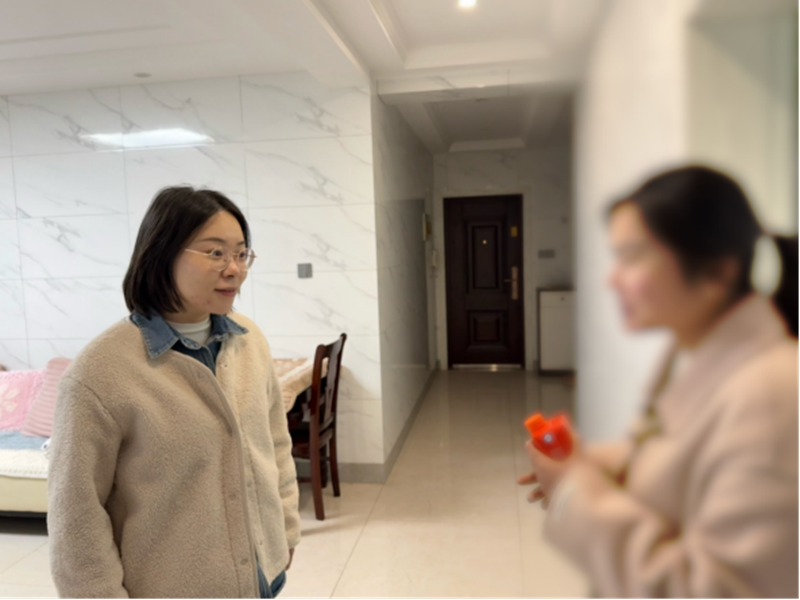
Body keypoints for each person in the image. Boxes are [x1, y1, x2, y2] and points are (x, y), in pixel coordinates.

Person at [519, 166, 799, 598]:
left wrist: (576, 490)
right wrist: (596, 462)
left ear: (717, 272)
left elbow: (716, 590)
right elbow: (684, 459)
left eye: (632, 257)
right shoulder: (688, 353)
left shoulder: (773, 396)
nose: (612, 280)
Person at [48, 187, 300, 599]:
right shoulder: (99, 373)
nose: (234, 269)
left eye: (241, 254)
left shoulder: (249, 340)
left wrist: (285, 532)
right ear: (162, 253)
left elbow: (274, 443)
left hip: (261, 576)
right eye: (216, 253)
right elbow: (76, 515)